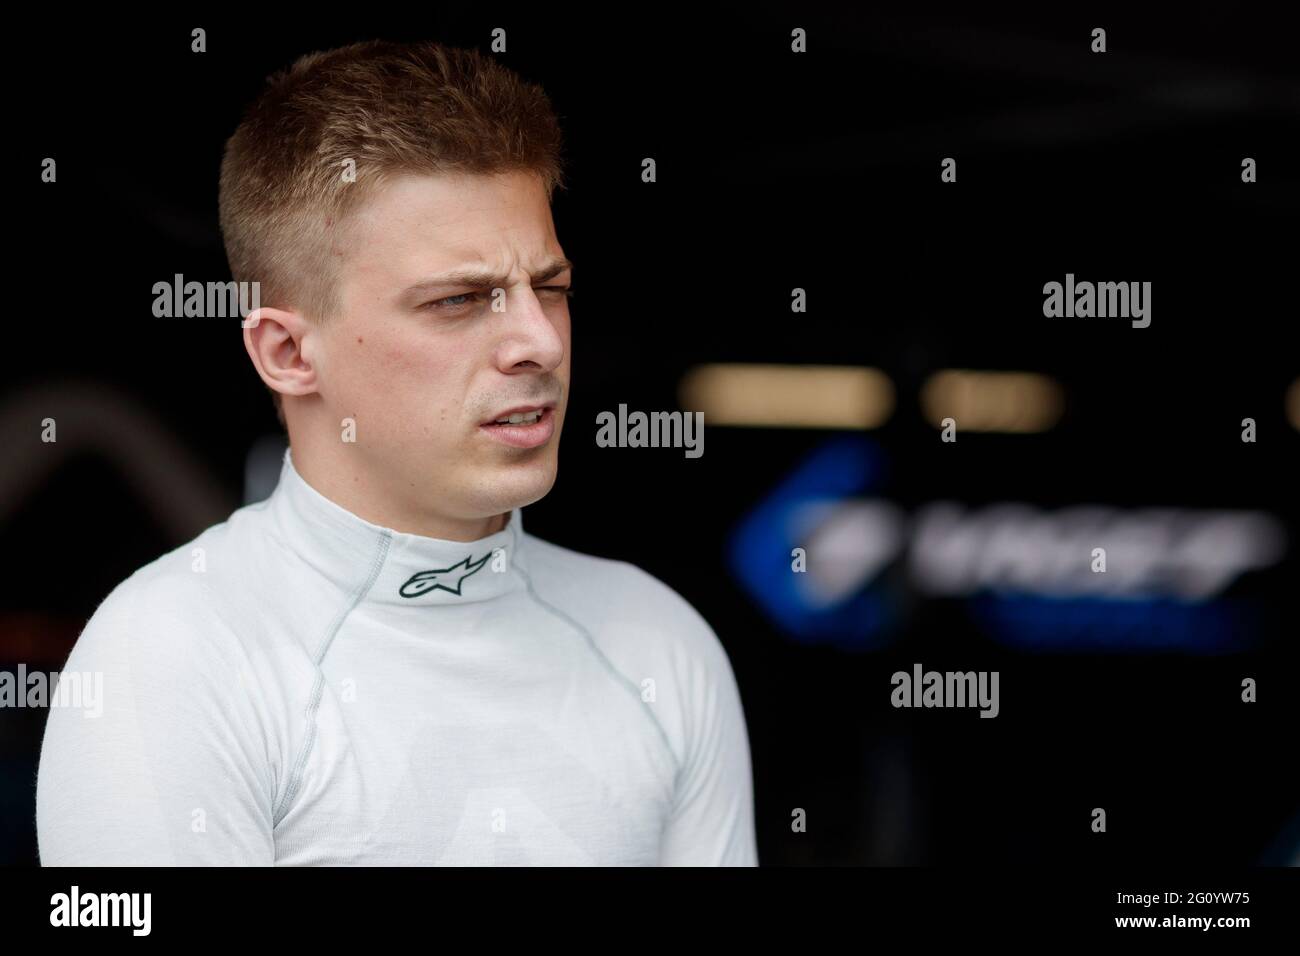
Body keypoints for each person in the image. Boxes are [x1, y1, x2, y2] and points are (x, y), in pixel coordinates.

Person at [35, 40, 756, 866]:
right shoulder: (172, 656)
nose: (538, 342)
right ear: (287, 354)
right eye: (457, 300)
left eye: (549, 288)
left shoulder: (661, 644)